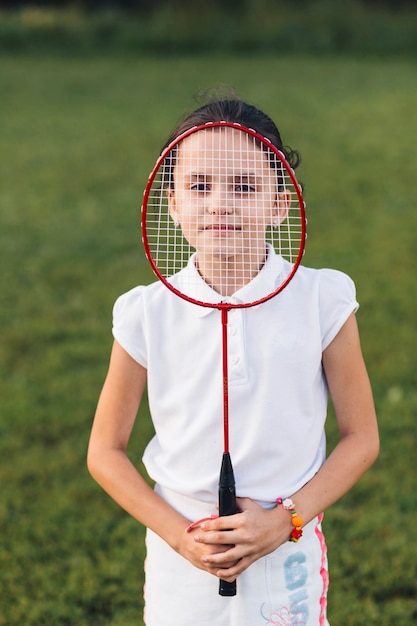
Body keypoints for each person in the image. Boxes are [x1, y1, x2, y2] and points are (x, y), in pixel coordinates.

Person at [87, 97, 379, 626]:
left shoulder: (324, 299)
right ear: (172, 204)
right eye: (199, 186)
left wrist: (283, 523)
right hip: (184, 563)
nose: (220, 203)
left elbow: (362, 438)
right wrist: (180, 536)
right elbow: (104, 452)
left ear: (279, 204)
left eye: (243, 186)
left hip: (287, 554)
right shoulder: (144, 312)